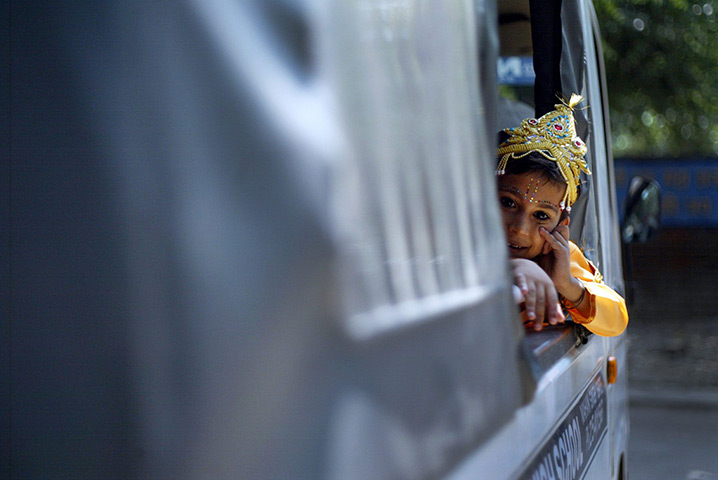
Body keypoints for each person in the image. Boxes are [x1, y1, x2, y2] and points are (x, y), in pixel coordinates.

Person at [496, 94, 628, 336]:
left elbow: (616, 320)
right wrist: (510, 268)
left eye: (542, 216)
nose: (520, 229)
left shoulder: (557, 257)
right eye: (508, 202)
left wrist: (567, 284)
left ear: (561, 226)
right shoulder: (460, 239)